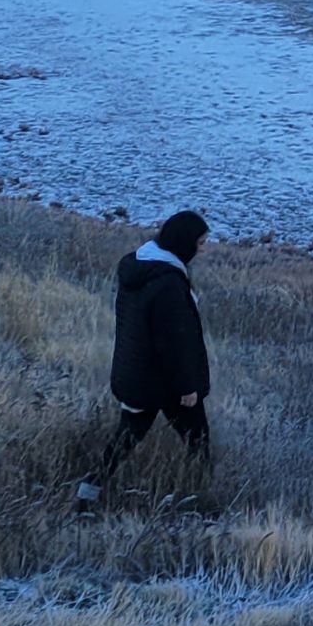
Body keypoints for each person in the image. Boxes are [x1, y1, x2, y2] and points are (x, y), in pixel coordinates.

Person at [96, 210, 212, 492]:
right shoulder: (169, 283)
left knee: (123, 442)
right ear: (184, 243)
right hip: (165, 383)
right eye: (200, 242)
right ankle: (202, 497)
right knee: (198, 441)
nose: (203, 248)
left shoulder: (140, 269)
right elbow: (174, 341)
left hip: (134, 374)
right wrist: (187, 387)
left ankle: (89, 493)